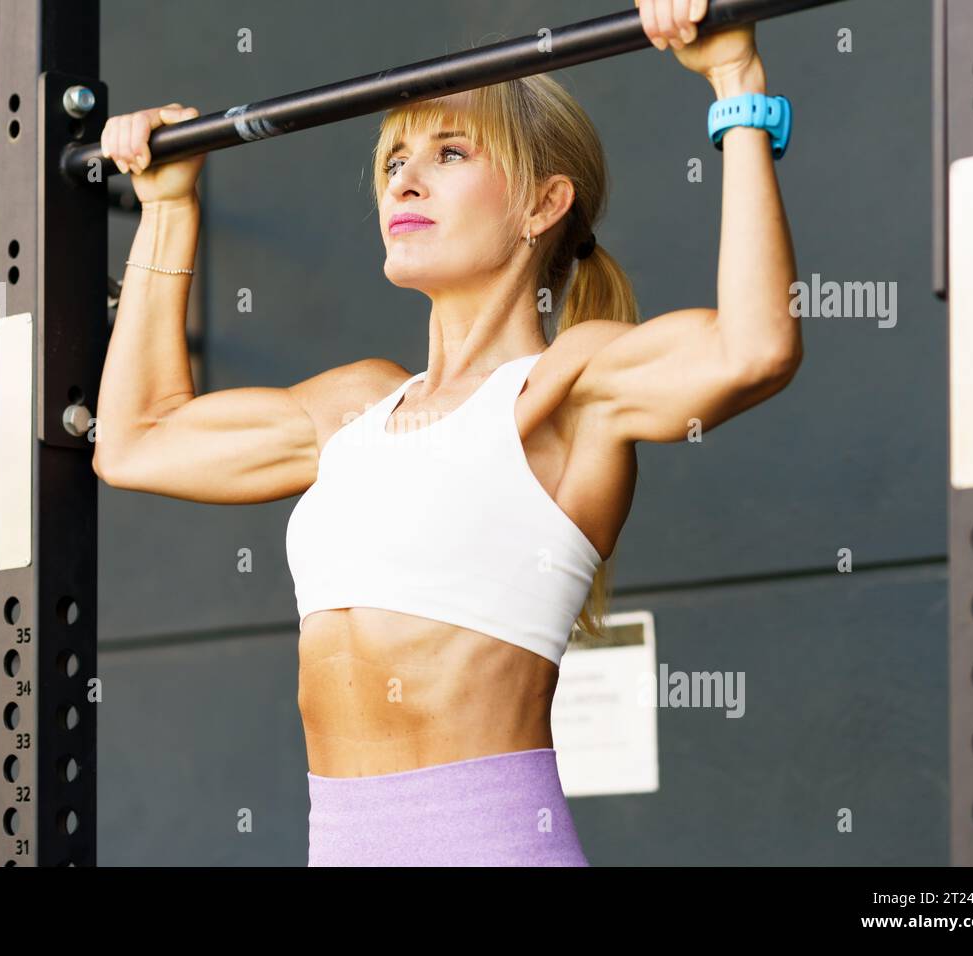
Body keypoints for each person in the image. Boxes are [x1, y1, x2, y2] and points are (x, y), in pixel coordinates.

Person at [92, 0, 801, 866]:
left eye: (450, 153)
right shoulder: (353, 408)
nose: (405, 180)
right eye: (395, 159)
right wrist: (168, 205)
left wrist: (736, 84)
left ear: (543, 204)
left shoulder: (566, 391)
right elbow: (135, 438)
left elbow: (754, 347)